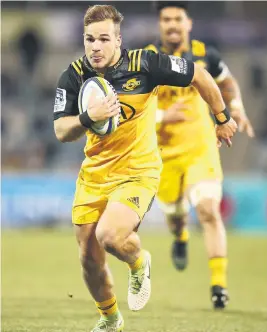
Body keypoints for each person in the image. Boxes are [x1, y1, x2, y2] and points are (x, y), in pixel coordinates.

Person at [53, 5, 237, 331]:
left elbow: (199, 75)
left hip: (138, 171)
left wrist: (222, 118)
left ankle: (139, 262)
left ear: (118, 40)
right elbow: (61, 131)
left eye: (104, 39)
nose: (96, 46)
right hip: (94, 174)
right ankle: (110, 319)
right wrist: (87, 117)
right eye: (89, 39)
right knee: (88, 258)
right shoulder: (73, 76)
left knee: (110, 235)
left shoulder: (146, 64)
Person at [145, 1, 254, 309]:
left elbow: (226, 80)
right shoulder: (147, 60)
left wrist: (237, 109)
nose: (172, 25)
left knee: (208, 210)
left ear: (188, 23)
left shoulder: (206, 54)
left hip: (200, 148)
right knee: (175, 217)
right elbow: (133, 108)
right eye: (166, 19)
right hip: (163, 153)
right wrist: (164, 115)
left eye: (177, 18)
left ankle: (219, 287)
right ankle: (180, 238)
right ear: (160, 24)